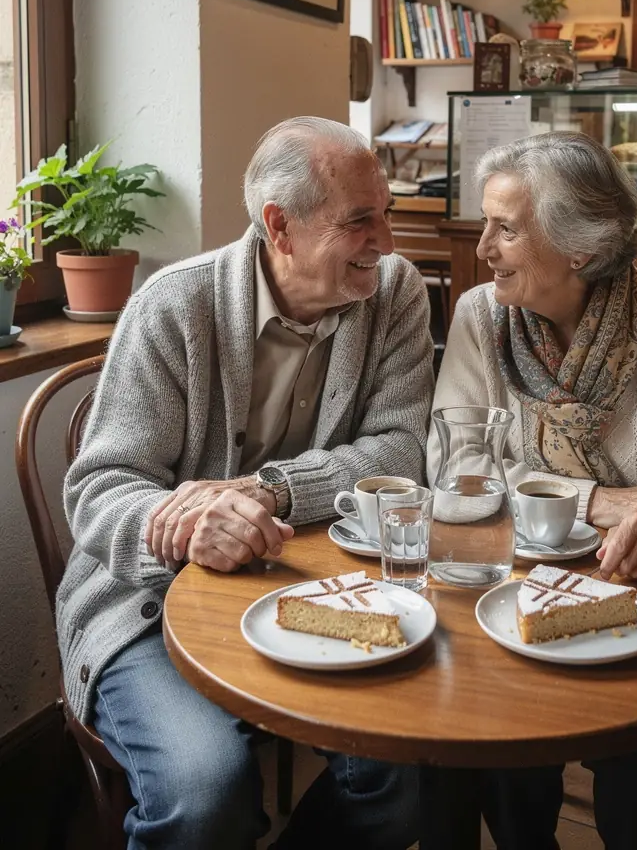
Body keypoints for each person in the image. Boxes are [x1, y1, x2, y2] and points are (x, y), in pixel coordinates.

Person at [58, 117, 434, 850]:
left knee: (409, 769)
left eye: (385, 213)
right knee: (207, 792)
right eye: (361, 221)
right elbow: (102, 485)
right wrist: (186, 525)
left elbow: (401, 451)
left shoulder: (394, 292)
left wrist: (269, 491)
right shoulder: (175, 306)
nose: (386, 243)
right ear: (280, 227)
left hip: (323, 590)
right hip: (149, 603)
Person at [429, 131, 637, 850]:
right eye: (486, 222)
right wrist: (589, 502)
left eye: (507, 228)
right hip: (520, 585)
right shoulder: (479, 317)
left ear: (579, 247)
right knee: (491, 732)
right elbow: (454, 464)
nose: (484, 246)